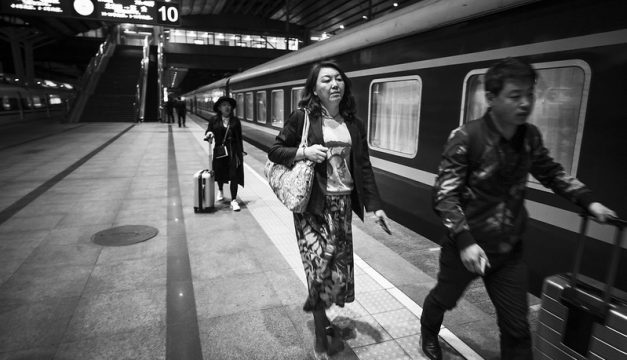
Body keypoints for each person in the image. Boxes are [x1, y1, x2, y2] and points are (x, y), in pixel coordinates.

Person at [419, 57, 616, 360]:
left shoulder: (530, 137)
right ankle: (429, 330)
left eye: (529, 95)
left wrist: (588, 200)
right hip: (465, 248)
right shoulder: (466, 137)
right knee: (444, 299)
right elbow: (444, 196)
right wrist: (465, 242)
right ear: (491, 98)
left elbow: (550, 172)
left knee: (517, 328)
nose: (525, 103)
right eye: (515, 96)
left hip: (508, 251)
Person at [268, 61, 389, 359]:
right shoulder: (303, 118)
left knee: (336, 272)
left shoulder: (354, 124)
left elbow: (363, 167)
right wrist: (303, 152)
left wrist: (375, 207)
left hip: (342, 206)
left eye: (338, 79)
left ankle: (322, 315)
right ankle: (320, 338)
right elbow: (275, 150)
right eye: (326, 80)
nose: (334, 84)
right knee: (319, 271)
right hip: (313, 207)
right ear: (314, 89)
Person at [204, 96, 244, 211]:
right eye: (224, 105)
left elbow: (239, 137)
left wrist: (240, 153)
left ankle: (234, 200)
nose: (227, 107)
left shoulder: (235, 121)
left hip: (233, 151)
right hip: (220, 151)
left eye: (228, 105)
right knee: (219, 172)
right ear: (219, 108)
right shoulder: (214, 120)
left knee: (234, 175)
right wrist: (209, 133)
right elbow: (209, 130)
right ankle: (220, 190)